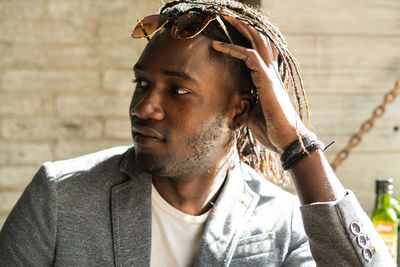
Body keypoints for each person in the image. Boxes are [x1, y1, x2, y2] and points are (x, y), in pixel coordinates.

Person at [0, 0, 395, 266]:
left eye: (178, 90)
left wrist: (295, 143)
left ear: (240, 110)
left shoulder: (284, 223)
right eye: (142, 83)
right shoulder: (60, 196)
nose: (143, 108)